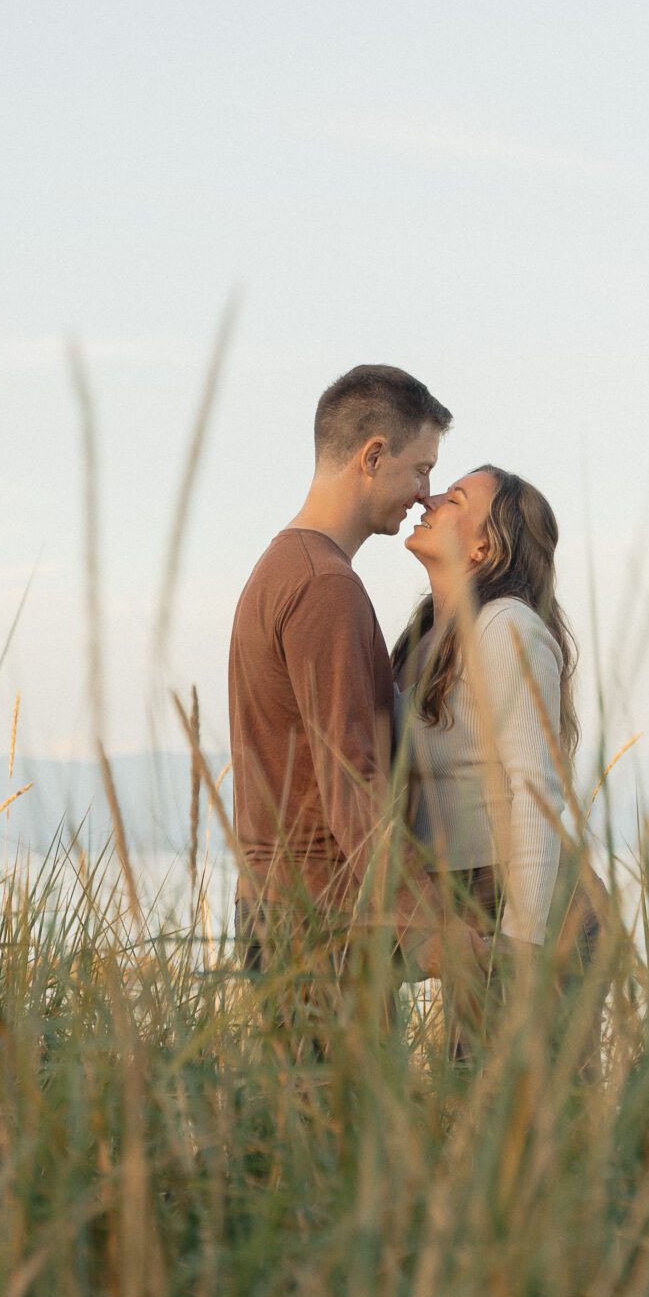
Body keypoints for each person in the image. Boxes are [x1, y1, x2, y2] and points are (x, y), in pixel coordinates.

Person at [227, 363, 460, 988]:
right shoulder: (324, 586)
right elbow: (350, 774)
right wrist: (427, 929)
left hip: (281, 909)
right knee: (337, 1093)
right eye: (422, 469)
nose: (424, 493)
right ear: (374, 456)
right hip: (316, 920)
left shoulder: (284, 567)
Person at [395, 465, 599, 1046]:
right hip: (468, 896)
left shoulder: (506, 627)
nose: (428, 499)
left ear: (486, 546)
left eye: (454, 498)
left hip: (526, 903)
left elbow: (536, 788)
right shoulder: (422, 639)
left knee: (526, 1112)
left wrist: (523, 943)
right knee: (474, 1102)